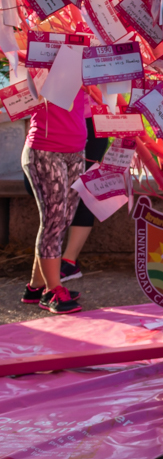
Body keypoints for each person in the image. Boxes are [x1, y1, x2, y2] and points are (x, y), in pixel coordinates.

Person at [18, 83, 88, 314]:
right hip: (45, 150)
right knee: (54, 221)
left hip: (77, 150)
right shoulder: (38, 62)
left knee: (62, 221)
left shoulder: (83, 62)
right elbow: (14, 98)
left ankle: (36, 287)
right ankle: (52, 290)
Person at [58, 115, 109, 283]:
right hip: (54, 117)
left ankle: (69, 261)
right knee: (43, 185)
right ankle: (50, 258)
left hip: (92, 117)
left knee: (82, 186)